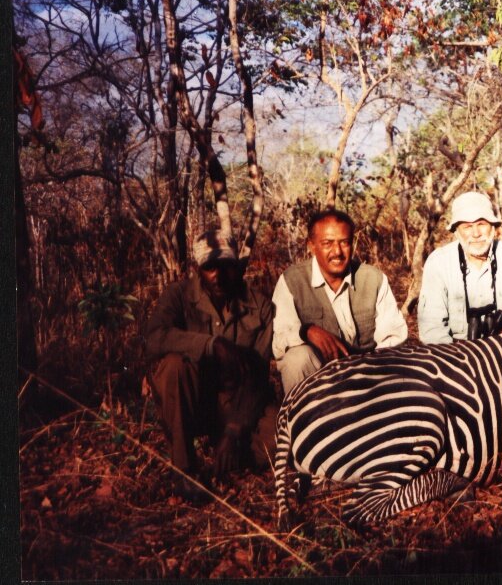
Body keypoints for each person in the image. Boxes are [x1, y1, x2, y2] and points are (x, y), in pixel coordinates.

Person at [144, 230, 278, 501]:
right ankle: (184, 469)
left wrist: (235, 428)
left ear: (237, 266)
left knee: (278, 440)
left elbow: (258, 376)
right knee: (174, 366)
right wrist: (210, 345)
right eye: (210, 267)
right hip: (193, 399)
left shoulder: (260, 305)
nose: (219, 275)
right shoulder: (178, 295)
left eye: (226, 266)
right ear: (198, 269)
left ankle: (228, 451)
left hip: (237, 401)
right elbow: (153, 339)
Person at [272, 209, 408, 395]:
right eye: (327, 243)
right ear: (311, 246)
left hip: (368, 371)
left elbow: (394, 338)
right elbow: (278, 342)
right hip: (319, 377)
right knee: (296, 359)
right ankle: (300, 412)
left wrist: (369, 370)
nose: (337, 252)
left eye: (344, 242)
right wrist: (306, 331)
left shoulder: (374, 278)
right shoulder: (292, 280)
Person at [418, 191, 502, 344]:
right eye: (467, 226)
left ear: (493, 227)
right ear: (456, 232)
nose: (476, 233)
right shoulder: (438, 263)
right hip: (455, 352)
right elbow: (432, 330)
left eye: (481, 224)